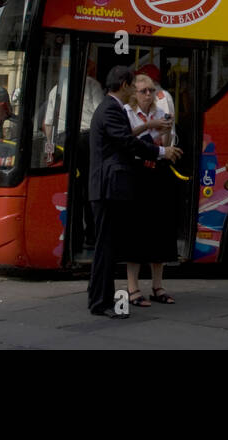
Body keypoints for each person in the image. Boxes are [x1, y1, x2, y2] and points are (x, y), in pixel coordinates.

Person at [87, 65, 182, 317]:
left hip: (108, 186)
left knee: (105, 248)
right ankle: (102, 302)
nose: (139, 92)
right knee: (105, 249)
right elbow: (127, 143)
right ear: (124, 85)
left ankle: (99, 299)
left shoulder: (111, 108)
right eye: (134, 86)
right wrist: (161, 151)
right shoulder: (111, 110)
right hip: (108, 187)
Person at [122, 73, 179, 307]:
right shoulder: (126, 112)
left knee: (161, 230)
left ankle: (158, 285)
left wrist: (165, 128)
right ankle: (133, 287)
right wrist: (149, 126)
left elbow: (166, 145)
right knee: (136, 231)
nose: (148, 94)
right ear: (134, 93)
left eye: (151, 90)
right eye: (143, 90)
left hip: (158, 172)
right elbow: (124, 138)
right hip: (137, 173)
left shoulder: (160, 112)